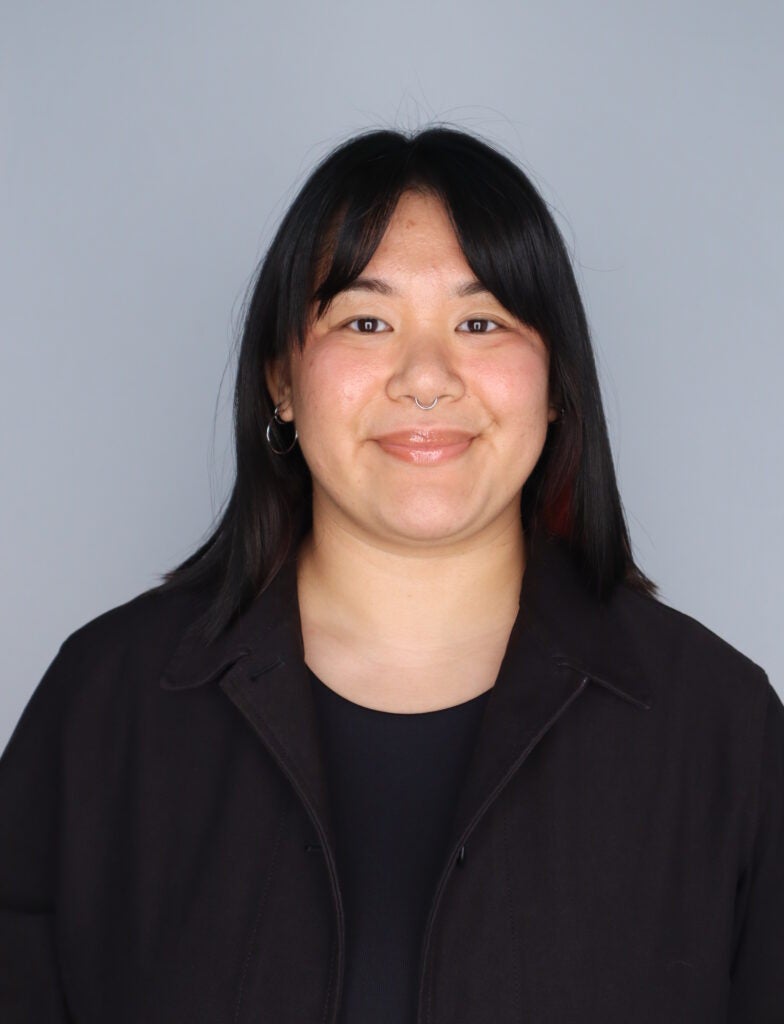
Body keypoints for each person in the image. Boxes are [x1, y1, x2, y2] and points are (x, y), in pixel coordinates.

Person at [0, 126, 781, 1023]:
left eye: (480, 322)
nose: (425, 377)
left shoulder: (719, 728)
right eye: (365, 321)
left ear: (557, 384)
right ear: (280, 380)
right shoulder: (109, 704)